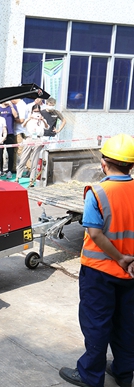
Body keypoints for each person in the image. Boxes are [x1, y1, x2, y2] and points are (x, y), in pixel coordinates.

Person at [59, 133, 134, 387]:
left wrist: (120, 258)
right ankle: (124, 372)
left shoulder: (98, 192)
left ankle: (91, 376)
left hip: (100, 271)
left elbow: (95, 234)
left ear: (103, 163)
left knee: (96, 323)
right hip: (131, 273)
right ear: (131, 165)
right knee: (126, 323)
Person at [15, 104, 49, 187]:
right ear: (32, 111)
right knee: (23, 158)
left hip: (38, 139)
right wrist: (29, 118)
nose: (36, 113)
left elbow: (47, 127)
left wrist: (42, 120)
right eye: (35, 111)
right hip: (29, 138)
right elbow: (23, 125)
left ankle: (31, 180)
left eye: (38, 111)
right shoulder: (29, 119)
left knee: (34, 160)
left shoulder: (42, 120)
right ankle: (17, 177)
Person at [0, 100, 20, 179]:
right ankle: (1, 170)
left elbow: (16, 116)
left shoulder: (12, 107)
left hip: (10, 133)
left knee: (10, 153)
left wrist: (11, 106)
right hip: (0, 134)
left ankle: (9, 170)